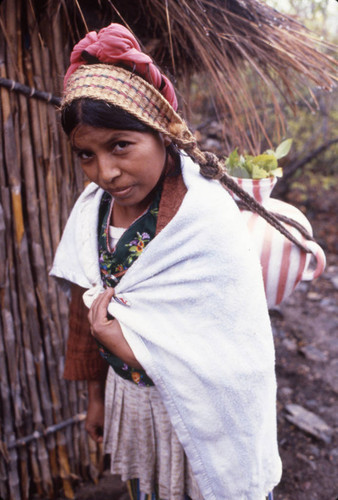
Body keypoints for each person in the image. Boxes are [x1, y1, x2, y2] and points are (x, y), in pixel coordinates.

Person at [50, 23, 282, 500]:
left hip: (204, 414)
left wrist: (131, 347)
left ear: (160, 133)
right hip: (131, 406)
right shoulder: (91, 211)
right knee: (148, 489)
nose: (105, 171)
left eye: (120, 145)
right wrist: (95, 399)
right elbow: (83, 309)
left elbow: (237, 355)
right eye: (86, 155)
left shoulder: (204, 219)